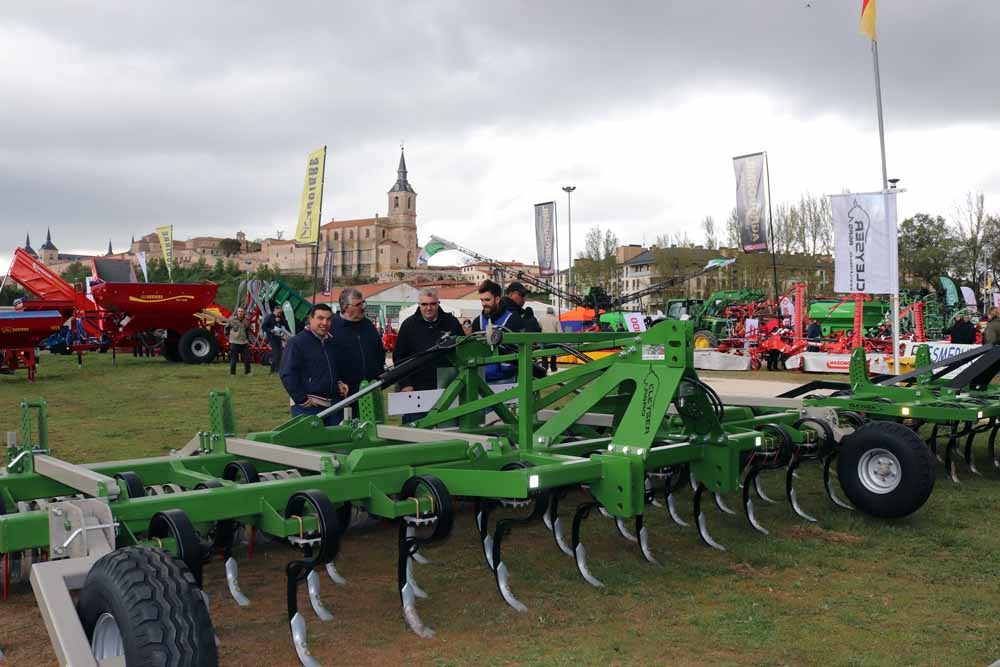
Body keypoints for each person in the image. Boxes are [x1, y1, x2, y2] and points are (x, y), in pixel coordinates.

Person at [393, 287, 465, 422]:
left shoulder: (451, 322)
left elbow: (462, 351)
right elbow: (399, 357)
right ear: (419, 305)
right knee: (415, 431)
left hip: (448, 387)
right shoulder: (409, 325)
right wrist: (405, 384)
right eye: (424, 304)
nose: (428, 308)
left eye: (432, 304)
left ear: (438, 303)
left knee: (449, 429)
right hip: (417, 388)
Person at [280, 303, 348, 426]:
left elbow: (332, 367)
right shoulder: (297, 343)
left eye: (328, 319)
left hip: (332, 405)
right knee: (309, 443)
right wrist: (302, 399)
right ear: (310, 319)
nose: (325, 323)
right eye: (320, 318)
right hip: (307, 408)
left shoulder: (331, 342)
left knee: (332, 443)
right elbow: (287, 373)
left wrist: (339, 382)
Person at [331, 288, 386, 398]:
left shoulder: (368, 325)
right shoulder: (332, 328)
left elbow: (379, 352)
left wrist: (378, 374)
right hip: (344, 392)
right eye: (358, 304)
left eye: (363, 303)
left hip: (370, 388)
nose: (363, 307)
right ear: (346, 307)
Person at [261, 305, 289, 373]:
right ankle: (274, 370)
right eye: (278, 312)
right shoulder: (269, 317)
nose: (279, 314)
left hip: (278, 336)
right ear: (275, 310)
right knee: (276, 353)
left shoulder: (280, 317)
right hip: (272, 337)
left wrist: (281, 320)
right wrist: (270, 330)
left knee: (279, 353)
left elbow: (285, 323)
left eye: (280, 313)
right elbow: (264, 327)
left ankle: (276, 369)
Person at [226, 307, 251, 376]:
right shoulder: (231, 319)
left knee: (247, 358)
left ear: (244, 313)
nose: (240, 313)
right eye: (239, 311)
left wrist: (247, 339)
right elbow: (227, 328)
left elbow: (248, 330)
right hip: (234, 342)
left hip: (244, 342)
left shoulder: (246, 321)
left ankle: (247, 372)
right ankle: (233, 373)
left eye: (242, 311)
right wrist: (229, 338)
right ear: (237, 312)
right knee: (234, 358)